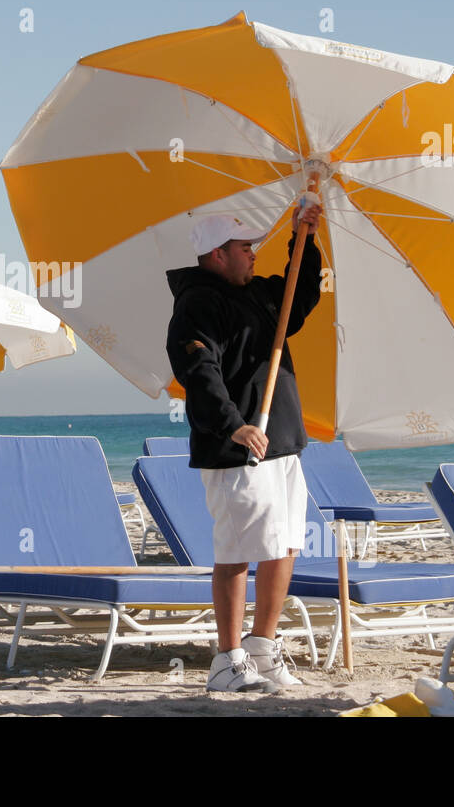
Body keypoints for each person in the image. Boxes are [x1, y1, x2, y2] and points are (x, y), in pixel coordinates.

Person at [165, 200, 323, 692]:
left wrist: (305, 240)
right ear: (216, 254)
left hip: (282, 442)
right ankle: (227, 661)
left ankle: (262, 648)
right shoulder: (196, 304)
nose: (253, 254)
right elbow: (198, 371)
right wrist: (233, 424)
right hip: (236, 448)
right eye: (244, 247)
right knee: (236, 551)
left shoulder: (256, 293)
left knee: (284, 545)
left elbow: (299, 298)